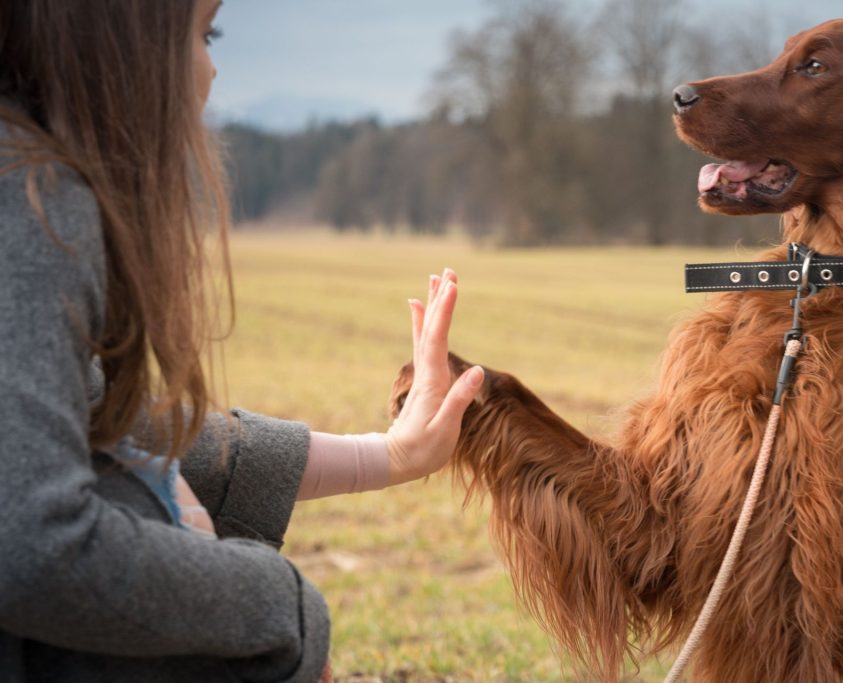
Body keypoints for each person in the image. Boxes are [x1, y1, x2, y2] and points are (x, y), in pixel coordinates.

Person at [0, 1, 484, 681]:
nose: (212, 68)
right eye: (204, 33)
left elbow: (93, 425)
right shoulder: (32, 204)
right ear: (119, 38)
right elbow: (31, 541)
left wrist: (386, 454)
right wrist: (277, 606)